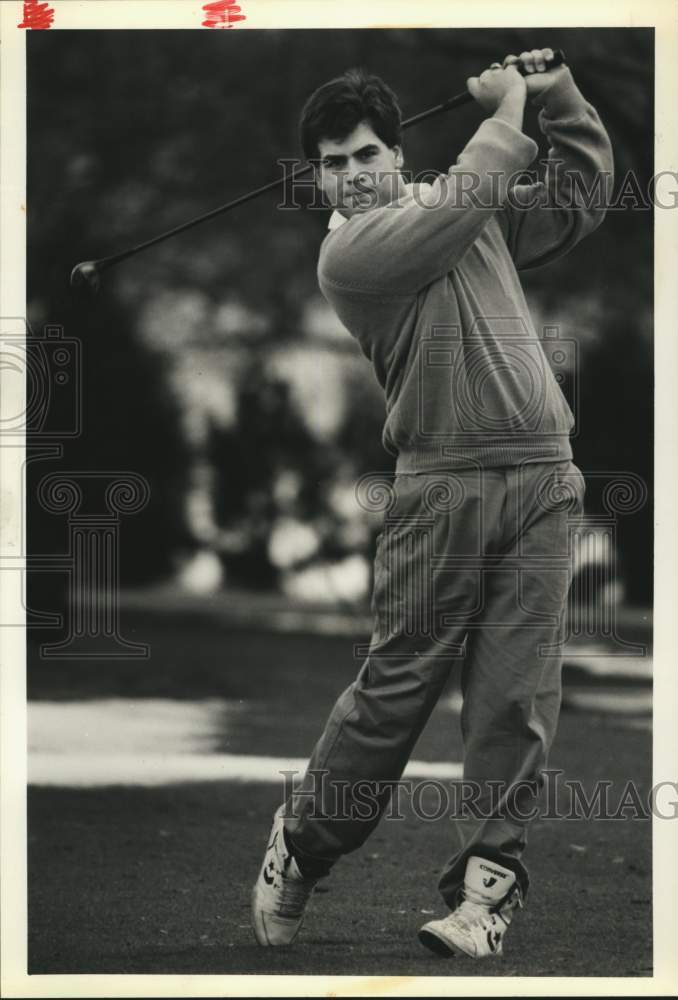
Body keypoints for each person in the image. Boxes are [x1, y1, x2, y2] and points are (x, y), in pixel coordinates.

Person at [251, 47, 613, 958]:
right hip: (440, 491)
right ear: (320, 179)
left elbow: (581, 195)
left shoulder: (469, 211)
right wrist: (504, 111)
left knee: (515, 701)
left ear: (396, 155)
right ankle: (302, 843)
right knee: (396, 694)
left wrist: (557, 95)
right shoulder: (353, 256)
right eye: (335, 163)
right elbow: (462, 201)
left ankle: (483, 896)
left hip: (541, 480)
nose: (354, 175)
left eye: (369, 155)